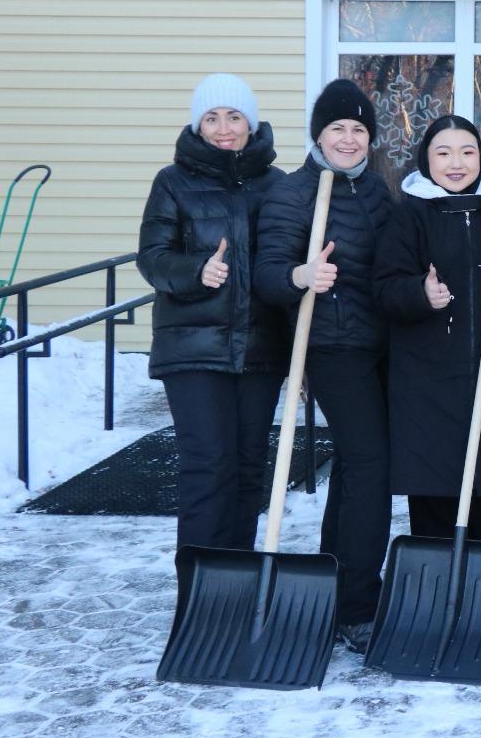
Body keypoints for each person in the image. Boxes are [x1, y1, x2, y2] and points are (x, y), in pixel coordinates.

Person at [254, 78, 393, 653]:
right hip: (332, 348)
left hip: (382, 346)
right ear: (318, 133)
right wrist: (300, 277)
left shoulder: (379, 192)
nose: (348, 138)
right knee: (371, 466)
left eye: (359, 129)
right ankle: (358, 604)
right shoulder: (293, 193)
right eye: (337, 127)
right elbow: (267, 274)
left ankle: (339, 582)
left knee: (359, 473)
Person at [372, 116, 481, 541]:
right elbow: (383, 289)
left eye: (467, 152)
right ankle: (431, 579)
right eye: (443, 153)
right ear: (426, 159)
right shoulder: (408, 215)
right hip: (425, 379)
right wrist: (419, 293)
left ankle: (476, 581)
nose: (456, 163)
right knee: (432, 489)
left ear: (480, 159)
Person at [138, 73, 287, 552]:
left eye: (234, 116)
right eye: (212, 117)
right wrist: (194, 271)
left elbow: (286, 268)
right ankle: (199, 594)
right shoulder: (173, 181)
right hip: (193, 348)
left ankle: (234, 586)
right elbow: (152, 257)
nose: (224, 128)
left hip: (260, 350)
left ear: (251, 121)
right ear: (198, 125)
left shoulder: (278, 185)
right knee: (208, 466)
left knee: (247, 468)